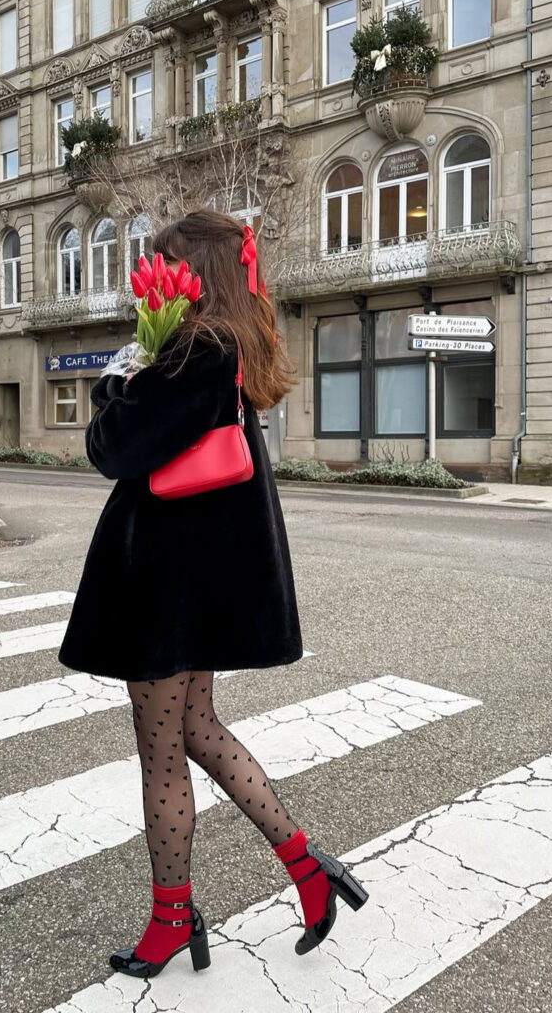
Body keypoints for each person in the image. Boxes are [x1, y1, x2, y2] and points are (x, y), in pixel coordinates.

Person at [58, 209, 368, 980]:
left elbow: (113, 451)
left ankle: (171, 921)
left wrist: (117, 377)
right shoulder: (233, 346)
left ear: (191, 272)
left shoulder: (193, 350)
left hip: (166, 588)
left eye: (164, 264)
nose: (155, 276)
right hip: (193, 586)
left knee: (161, 754)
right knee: (196, 730)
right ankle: (305, 866)